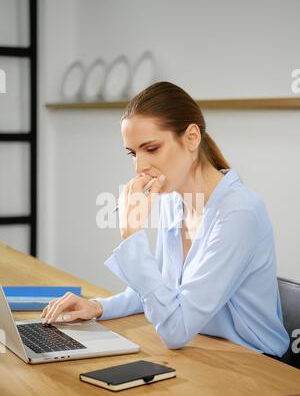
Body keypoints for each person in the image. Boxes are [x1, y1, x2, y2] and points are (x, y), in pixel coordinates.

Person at [41, 81, 289, 358]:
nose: (139, 166)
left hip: (256, 364)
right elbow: (162, 292)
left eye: (152, 148)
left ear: (192, 137)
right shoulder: (174, 201)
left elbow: (175, 329)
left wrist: (132, 234)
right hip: (206, 351)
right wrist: (98, 307)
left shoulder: (239, 213)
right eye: (133, 153)